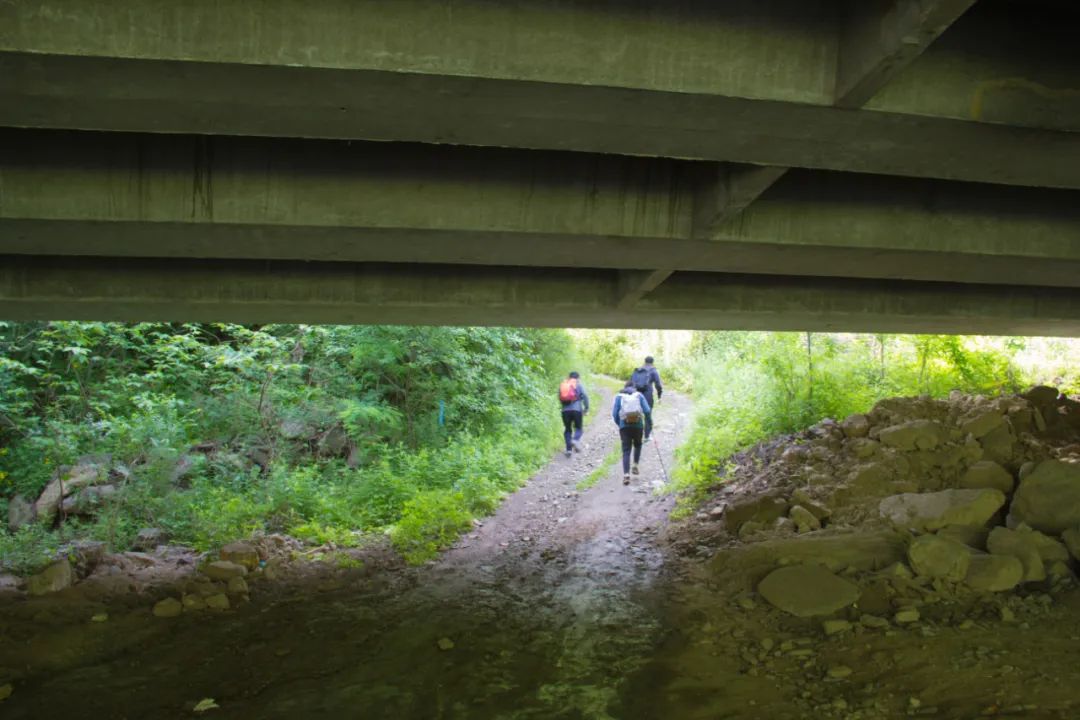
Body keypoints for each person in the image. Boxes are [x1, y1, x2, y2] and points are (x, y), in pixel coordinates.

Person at [612, 382, 652, 485]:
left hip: (624, 427)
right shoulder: (639, 395)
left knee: (626, 450)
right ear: (634, 388)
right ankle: (635, 464)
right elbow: (647, 411)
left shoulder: (619, 397)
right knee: (638, 445)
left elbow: (614, 414)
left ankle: (626, 475)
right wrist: (649, 423)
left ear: (625, 388)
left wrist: (620, 424)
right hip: (638, 426)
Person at [628, 356, 663, 442]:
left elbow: (630, 382)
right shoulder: (653, 371)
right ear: (652, 362)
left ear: (645, 361)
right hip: (647, 395)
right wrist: (659, 396)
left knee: (634, 412)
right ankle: (646, 436)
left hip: (635, 394)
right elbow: (658, 384)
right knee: (647, 413)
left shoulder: (638, 370)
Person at [558, 371, 589, 458]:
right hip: (577, 410)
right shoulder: (578, 385)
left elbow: (560, 397)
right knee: (579, 428)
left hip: (565, 411)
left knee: (567, 429)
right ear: (578, 378)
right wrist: (586, 408)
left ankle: (568, 450)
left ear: (569, 377)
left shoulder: (563, 385)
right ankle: (575, 440)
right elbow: (585, 396)